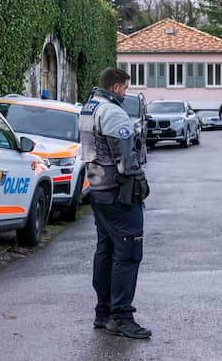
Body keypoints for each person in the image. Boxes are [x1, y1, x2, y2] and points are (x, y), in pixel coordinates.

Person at [79, 67, 151, 339]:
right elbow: (125, 158)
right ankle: (121, 316)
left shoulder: (89, 108)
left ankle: (104, 311)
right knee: (128, 253)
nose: (126, 93)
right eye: (124, 88)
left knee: (106, 250)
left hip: (97, 187)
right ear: (116, 87)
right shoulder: (112, 112)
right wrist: (138, 180)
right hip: (118, 191)